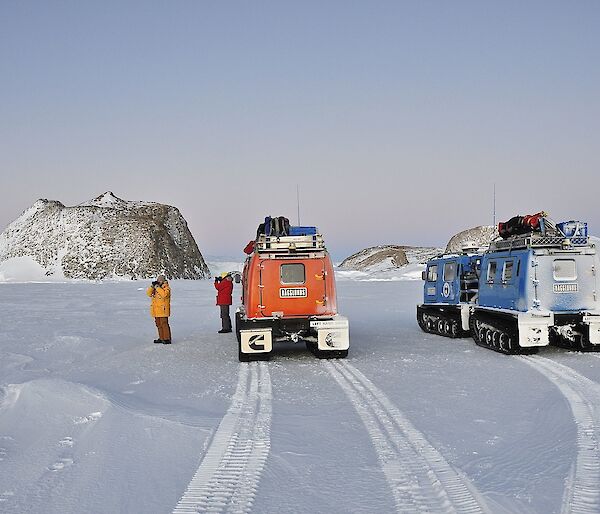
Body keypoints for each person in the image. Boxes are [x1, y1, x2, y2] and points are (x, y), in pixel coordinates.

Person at [147, 275, 172, 344]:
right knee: (158, 324)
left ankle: (167, 338)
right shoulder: (156, 288)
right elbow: (148, 294)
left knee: (164, 324)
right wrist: (152, 286)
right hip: (156, 310)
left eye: (160, 280)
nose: (159, 281)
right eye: (158, 280)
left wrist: (157, 287)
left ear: (163, 281)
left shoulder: (166, 288)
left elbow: (164, 295)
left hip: (163, 310)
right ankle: (161, 338)